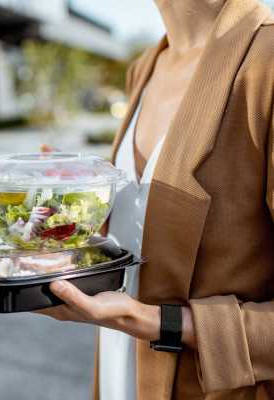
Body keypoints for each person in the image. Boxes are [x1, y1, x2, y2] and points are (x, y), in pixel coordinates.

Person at [37, 0, 274, 399]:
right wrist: (78, 214)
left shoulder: (265, 63)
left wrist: (157, 321)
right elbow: (151, 233)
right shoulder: (146, 66)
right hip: (120, 376)